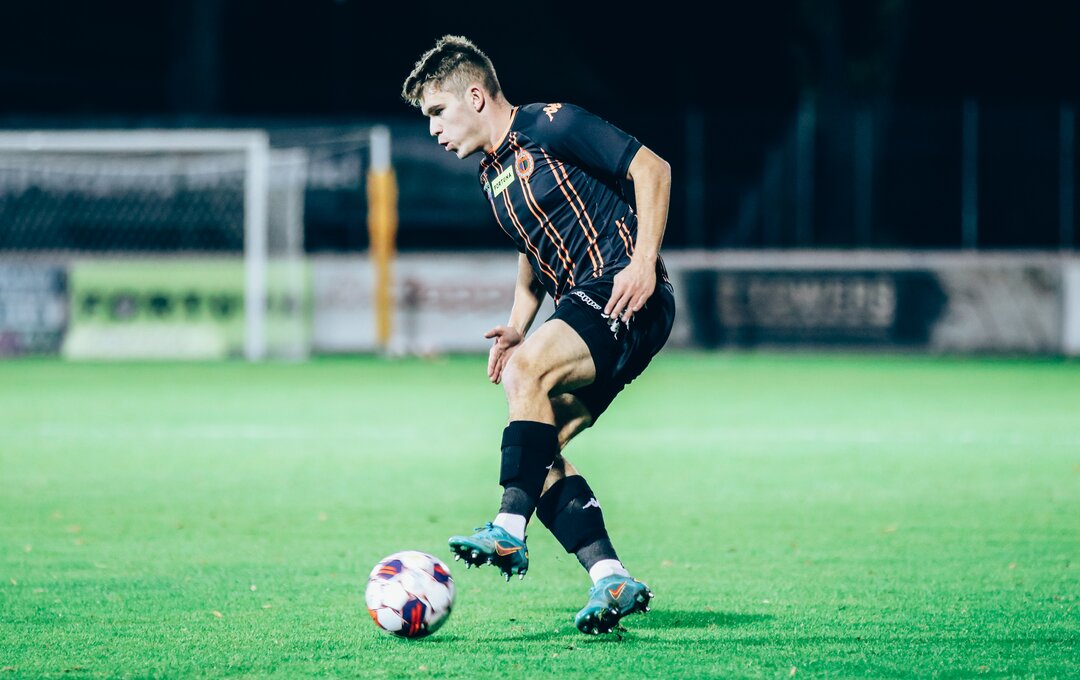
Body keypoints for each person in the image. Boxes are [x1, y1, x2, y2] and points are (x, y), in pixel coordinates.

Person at [401, 35, 675, 635]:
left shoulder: (553, 124)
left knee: (527, 374)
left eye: (438, 111)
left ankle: (508, 528)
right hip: (594, 304)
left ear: (476, 96)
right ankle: (611, 577)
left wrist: (643, 262)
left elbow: (653, 168)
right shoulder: (491, 175)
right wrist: (517, 324)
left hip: (622, 288)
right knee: (537, 450)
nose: (433, 129)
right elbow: (534, 249)